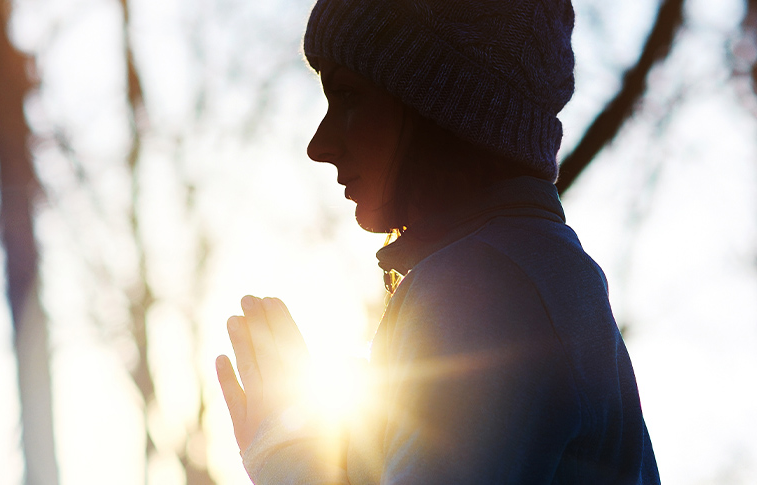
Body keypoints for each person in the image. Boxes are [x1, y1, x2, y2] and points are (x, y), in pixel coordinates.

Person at [214, 0, 661, 482]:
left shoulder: (482, 289)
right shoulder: (537, 273)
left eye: (348, 96)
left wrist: (286, 455)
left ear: (439, 103)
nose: (318, 144)